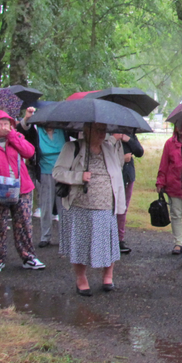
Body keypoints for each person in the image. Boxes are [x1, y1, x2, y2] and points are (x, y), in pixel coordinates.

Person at [54, 123, 126, 296]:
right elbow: (57, 172)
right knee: (80, 244)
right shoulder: (72, 147)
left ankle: (108, 276)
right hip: (80, 206)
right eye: (98, 130)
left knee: (108, 242)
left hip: (106, 205)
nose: (102, 134)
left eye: (104, 130)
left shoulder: (109, 147)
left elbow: (118, 171)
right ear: (87, 130)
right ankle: (81, 278)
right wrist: (79, 177)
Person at [0, 110, 45, 273]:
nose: (4, 127)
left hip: (21, 189)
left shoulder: (16, 137)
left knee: (24, 224)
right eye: (0, 124)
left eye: (7, 123)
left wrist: (12, 136)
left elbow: (29, 152)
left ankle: (28, 257)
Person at [18, 107, 68, 249]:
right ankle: (45, 236)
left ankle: (65, 237)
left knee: (63, 205)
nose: (49, 123)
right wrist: (27, 118)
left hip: (62, 171)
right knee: (45, 205)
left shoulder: (62, 130)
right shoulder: (36, 131)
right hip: (45, 171)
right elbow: (22, 130)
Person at [156, 126, 182, 255]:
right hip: (173, 185)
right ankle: (178, 243)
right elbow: (164, 163)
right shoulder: (169, 143)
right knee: (176, 214)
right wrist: (160, 181)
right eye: (179, 125)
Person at [115, 132, 144, 254]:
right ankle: (109, 238)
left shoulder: (128, 133)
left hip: (127, 175)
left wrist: (127, 139)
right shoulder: (108, 134)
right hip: (113, 175)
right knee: (110, 207)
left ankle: (120, 239)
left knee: (123, 208)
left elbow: (139, 152)